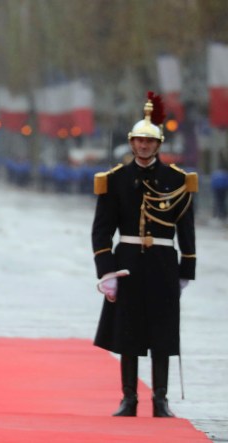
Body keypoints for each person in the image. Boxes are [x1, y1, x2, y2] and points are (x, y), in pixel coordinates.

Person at [92, 92, 197, 418]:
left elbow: (186, 230)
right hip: (128, 264)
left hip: (163, 263)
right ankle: (129, 398)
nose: (143, 147)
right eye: (138, 141)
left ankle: (160, 400)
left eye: (149, 142)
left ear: (158, 144)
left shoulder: (177, 180)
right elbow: (101, 231)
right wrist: (106, 272)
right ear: (131, 142)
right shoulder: (114, 180)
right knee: (127, 333)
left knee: (163, 333)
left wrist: (186, 270)